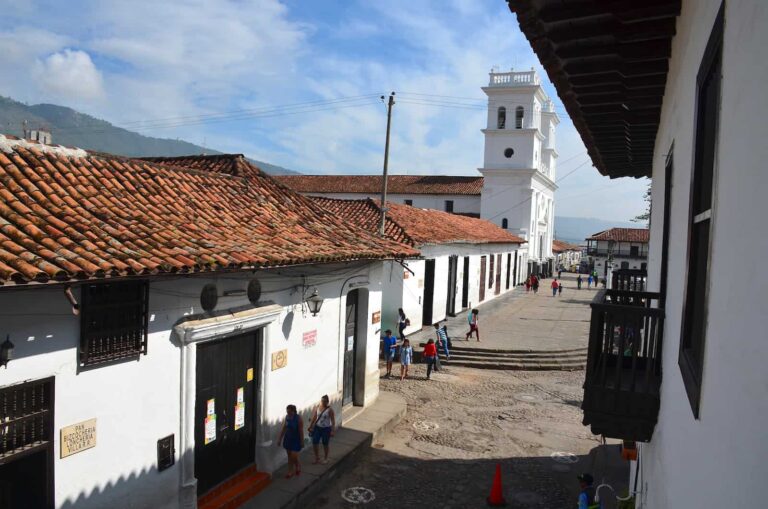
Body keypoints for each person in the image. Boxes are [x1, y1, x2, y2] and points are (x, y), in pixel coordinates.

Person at [277, 404, 304, 478]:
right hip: (288, 438)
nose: (288, 413)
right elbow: (284, 428)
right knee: (289, 456)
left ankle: (297, 465)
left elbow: (301, 431)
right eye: (287, 412)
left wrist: (302, 441)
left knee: (293, 455)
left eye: (289, 412)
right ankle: (290, 471)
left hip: (296, 439)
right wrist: (280, 438)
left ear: (293, 411)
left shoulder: (298, 419)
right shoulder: (287, 417)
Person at [308, 395, 335, 465]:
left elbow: (333, 420)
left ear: (327, 402)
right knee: (315, 442)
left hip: (326, 429)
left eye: (325, 401)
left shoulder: (330, 410)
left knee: (325, 443)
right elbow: (314, 417)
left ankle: (326, 458)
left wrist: (332, 430)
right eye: (322, 401)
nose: (323, 402)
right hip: (317, 428)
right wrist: (310, 426)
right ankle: (317, 458)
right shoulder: (318, 407)